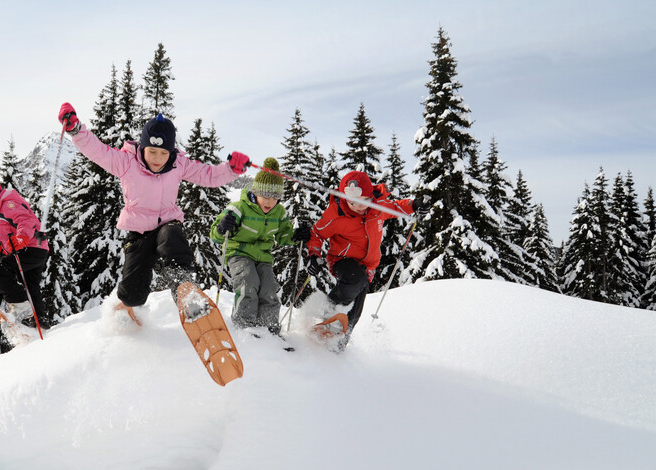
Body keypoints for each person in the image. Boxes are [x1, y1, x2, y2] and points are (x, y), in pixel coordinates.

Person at [57, 102, 249, 322]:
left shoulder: (180, 164)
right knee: (133, 295)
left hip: (167, 223)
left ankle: (186, 291)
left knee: (172, 236)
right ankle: (126, 307)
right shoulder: (126, 162)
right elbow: (98, 151)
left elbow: (208, 175)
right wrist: (76, 130)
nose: (157, 158)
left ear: (171, 151)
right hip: (138, 232)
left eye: (163, 153)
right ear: (142, 147)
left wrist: (231, 169)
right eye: (152, 151)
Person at [305, 170, 427, 351]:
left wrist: (414, 205)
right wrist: (314, 255)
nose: (359, 207)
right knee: (355, 279)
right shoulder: (336, 213)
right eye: (353, 202)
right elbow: (317, 233)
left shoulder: (378, 208)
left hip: (368, 266)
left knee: (355, 314)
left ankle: (336, 349)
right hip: (342, 259)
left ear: (371, 197)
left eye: (365, 201)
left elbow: (395, 207)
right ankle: (329, 310)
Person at [210, 157, 310, 335]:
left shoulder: (278, 212)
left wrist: (296, 236)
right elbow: (216, 236)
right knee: (248, 282)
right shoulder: (239, 208)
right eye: (265, 196)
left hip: (263, 257)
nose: (269, 202)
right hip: (239, 253)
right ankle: (244, 326)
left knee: (269, 288)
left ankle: (268, 329)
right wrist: (222, 227)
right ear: (255, 192)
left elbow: (283, 235)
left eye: (274, 198)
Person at [0, 173, 50, 333]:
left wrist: (21, 238)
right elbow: (11, 230)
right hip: (39, 247)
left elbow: (26, 220)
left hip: (32, 246)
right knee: (30, 285)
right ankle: (39, 323)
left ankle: (23, 310)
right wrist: (3, 249)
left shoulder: (7, 205)